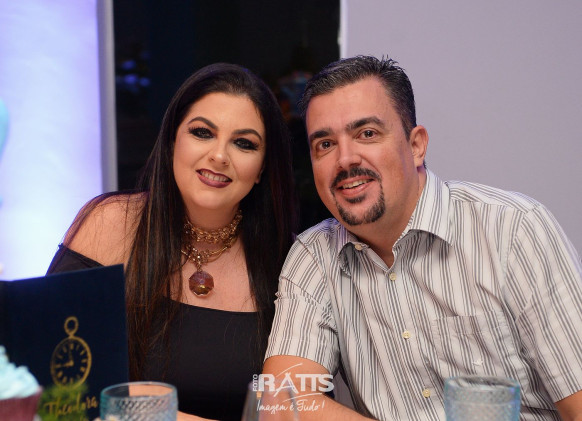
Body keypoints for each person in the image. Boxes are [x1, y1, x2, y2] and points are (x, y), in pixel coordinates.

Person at [263, 55, 582, 420]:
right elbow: (281, 403)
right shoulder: (314, 256)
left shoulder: (513, 229)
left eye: (367, 134)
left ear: (416, 145)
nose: (345, 159)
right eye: (325, 144)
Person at [47, 63, 297, 420]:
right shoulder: (111, 224)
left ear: (262, 169)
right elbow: (51, 379)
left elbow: (292, 409)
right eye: (202, 132)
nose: (219, 156)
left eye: (244, 143)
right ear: (172, 141)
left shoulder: (288, 263)